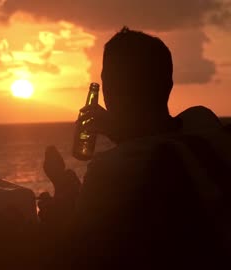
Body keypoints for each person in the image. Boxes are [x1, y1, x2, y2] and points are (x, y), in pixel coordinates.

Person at [40, 27, 231, 269]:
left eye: (107, 79)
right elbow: (163, 141)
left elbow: (75, 252)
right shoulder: (205, 124)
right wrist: (120, 131)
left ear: (108, 89)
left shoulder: (113, 171)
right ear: (169, 83)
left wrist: (63, 191)